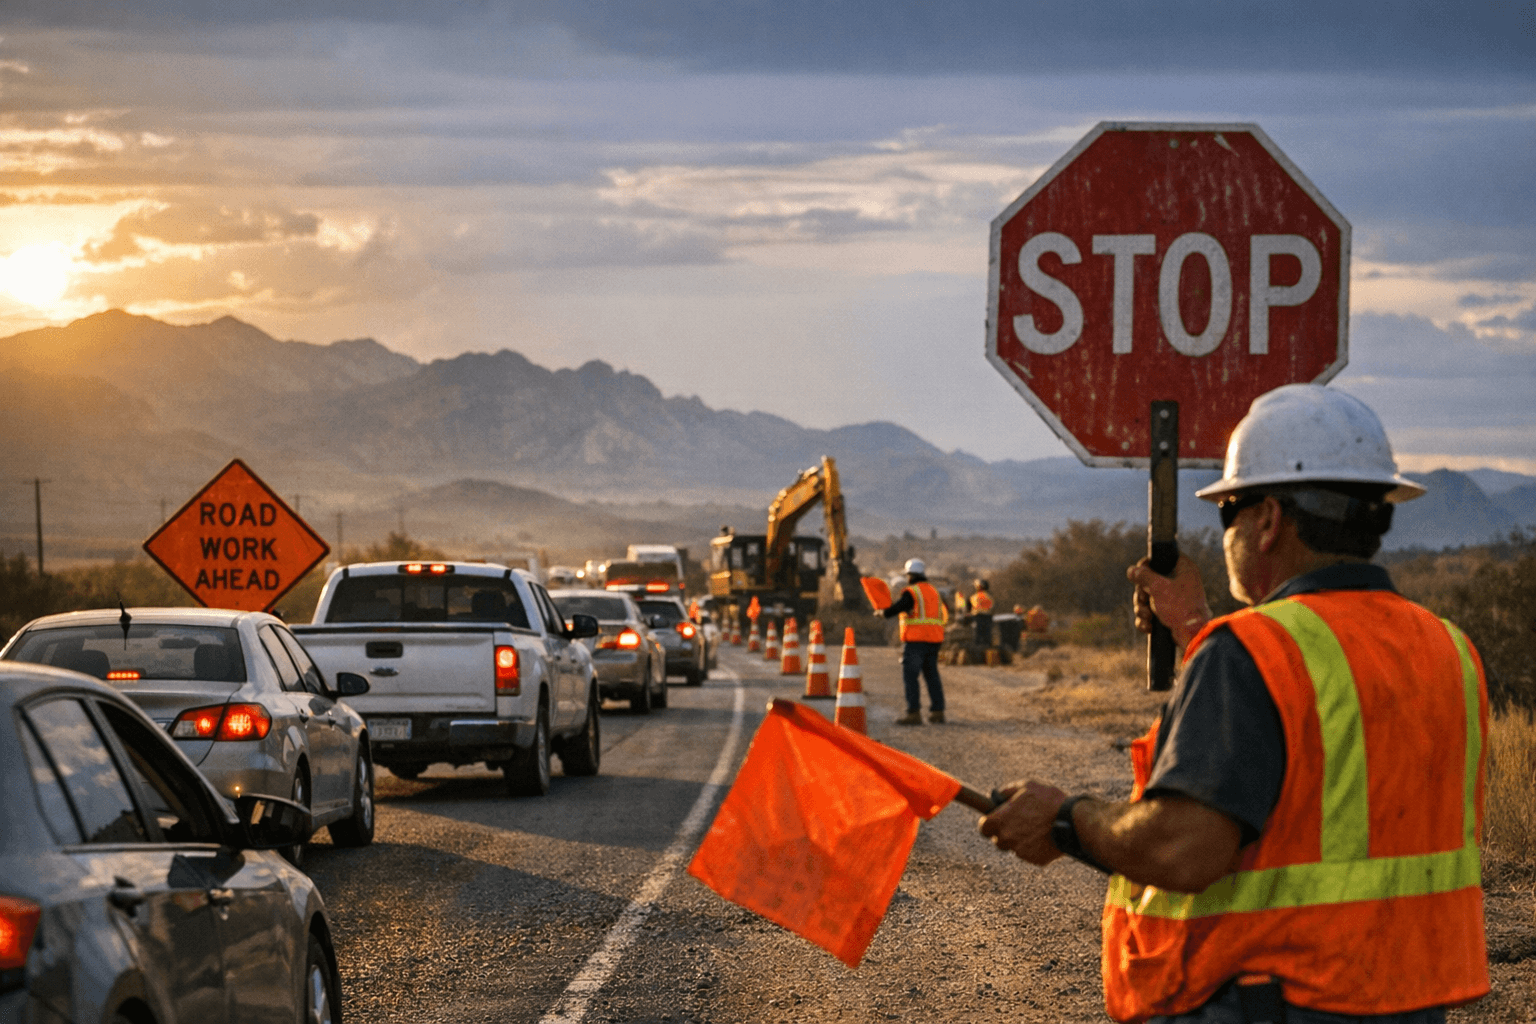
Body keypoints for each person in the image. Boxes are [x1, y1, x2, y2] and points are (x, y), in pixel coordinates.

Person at [979, 384, 1490, 1024]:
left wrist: (1065, 819)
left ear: (1268, 520)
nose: (1225, 531)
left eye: (1228, 511)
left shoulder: (1251, 652)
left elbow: (1183, 850)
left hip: (1271, 1000)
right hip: (1405, 999)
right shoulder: (1447, 648)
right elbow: (1324, 749)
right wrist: (1196, 626)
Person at [878, 558, 948, 725]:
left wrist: (884, 613)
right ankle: (938, 712)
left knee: (910, 676)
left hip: (917, 640)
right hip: (935, 638)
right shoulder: (934, 591)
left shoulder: (912, 592)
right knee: (932, 676)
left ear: (910, 575)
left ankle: (913, 713)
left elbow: (899, 607)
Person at [970, 578, 995, 647]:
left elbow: (971, 607)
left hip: (978, 616)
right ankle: (988, 647)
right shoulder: (990, 596)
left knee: (977, 635)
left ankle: (977, 647)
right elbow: (992, 607)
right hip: (988, 617)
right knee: (987, 634)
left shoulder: (974, 596)